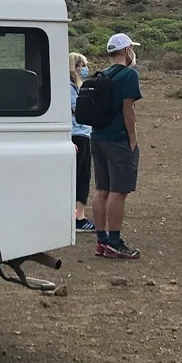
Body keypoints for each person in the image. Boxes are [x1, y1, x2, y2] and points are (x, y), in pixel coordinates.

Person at [90, 33, 143, 260]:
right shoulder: (129, 75)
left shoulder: (102, 74)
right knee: (118, 190)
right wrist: (132, 138)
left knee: (102, 189)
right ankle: (114, 241)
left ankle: (101, 241)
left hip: (97, 137)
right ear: (126, 50)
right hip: (117, 139)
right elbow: (128, 109)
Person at [69, 53, 94, 231]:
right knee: (77, 176)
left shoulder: (78, 87)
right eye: (81, 65)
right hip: (77, 135)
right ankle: (74, 216)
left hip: (84, 134)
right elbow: (77, 109)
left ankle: (80, 215)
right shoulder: (69, 88)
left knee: (84, 176)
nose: (84, 69)